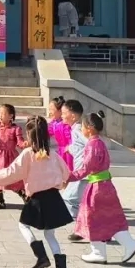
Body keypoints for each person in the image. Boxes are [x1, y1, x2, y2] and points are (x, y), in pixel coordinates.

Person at [0, 116, 72, 268]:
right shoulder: (52, 154)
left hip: (37, 199)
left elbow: (10, 173)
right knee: (50, 234)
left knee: (23, 225)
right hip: (54, 198)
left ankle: (41, 256)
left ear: (29, 135)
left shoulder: (28, 154)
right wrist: (60, 182)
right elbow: (66, 173)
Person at [71, 111, 135, 265]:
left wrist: (69, 177)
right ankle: (129, 244)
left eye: (82, 127)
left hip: (97, 189)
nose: (81, 130)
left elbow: (87, 167)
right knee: (109, 218)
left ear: (89, 128)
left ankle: (99, 252)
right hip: (105, 185)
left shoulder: (92, 145)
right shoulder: (100, 142)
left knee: (93, 218)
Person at [60, 99, 88, 240]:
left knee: (68, 198)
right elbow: (80, 146)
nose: (62, 115)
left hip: (83, 172)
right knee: (81, 202)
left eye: (64, 113)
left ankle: (84, 228)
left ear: (73, 115)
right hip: (81, 172)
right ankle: (83, 229)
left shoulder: (78, 129)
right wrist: (70, 148)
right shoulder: (75, 129)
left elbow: (91, 143)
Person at [46, 96, 73, 171]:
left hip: (68, 152)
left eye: (52, 109)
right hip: (60, 150)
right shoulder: (54, 123)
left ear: (60, 111)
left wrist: (70, 147)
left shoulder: (66, 124)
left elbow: (71, 138)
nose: (49, 112)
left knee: (68, 170)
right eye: (49, 109)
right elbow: (47, 132)